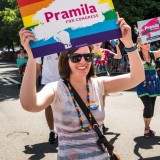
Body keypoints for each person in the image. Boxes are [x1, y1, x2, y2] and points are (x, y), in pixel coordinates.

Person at [19, 14, 144, 159]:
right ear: (66, 60)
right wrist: (31, 56)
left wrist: (128, 43)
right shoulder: (55, 88)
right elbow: (29, 105)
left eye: (88, 56)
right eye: (76, 57)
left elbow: (137, 77)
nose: (83, 61)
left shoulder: (99, 84)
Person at [136, 38, 160, 138]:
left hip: (154, 85)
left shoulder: (152, 54)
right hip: (142, 85)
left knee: (152, 108)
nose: (147, 45)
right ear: (140, 44)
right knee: (148, 106)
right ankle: (146, 129)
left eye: (148, 43)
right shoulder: (136, 55)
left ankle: (148, 128)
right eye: (145, 43)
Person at [36, 54, 61, 143]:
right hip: (46, 82)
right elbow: (37, 68)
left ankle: (60, 131)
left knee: (62, 107)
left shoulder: (61, 46)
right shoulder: (41, 50)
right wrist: (33, 85)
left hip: (61, 81)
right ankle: (51, 131)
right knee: (48, 107)